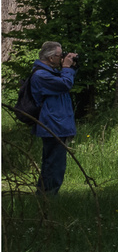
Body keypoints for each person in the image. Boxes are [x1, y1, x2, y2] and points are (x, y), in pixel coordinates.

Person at [27, 42, 78, 195]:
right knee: (54, 166)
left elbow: (66, 79)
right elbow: (65, 83)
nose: (62, 58)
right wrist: (67, 68)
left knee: (52, 164)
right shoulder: (41, 75)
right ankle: (48, 200)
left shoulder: (49, 73)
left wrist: (72, 67)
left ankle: (43, 199)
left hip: (57, 124)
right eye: (60, 55)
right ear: (50, 58)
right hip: (53, 126)